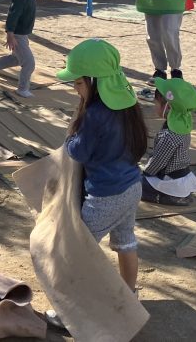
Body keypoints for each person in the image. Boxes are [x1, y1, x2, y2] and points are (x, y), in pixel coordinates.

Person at [56, 38, 149, 291]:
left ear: (94, 82)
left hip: (106, 196)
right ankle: (128, 294)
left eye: (77, 83)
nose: (75, 89)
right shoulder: (128, 103)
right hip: (131, 186)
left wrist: (70, 138)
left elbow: (78, 152)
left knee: (77, 249)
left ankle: (73, 311)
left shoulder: (95, 115)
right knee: (126, 242)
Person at [141, 76, 196, 205]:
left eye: (156, 103)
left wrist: (144, 172)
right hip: (181, 175)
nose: (154, 106)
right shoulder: (183, 123)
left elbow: (158, 162)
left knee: (132, 184)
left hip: (170, 180)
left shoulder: (169, 135)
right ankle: (176, 195)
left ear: (167, 107)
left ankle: (166, 197)